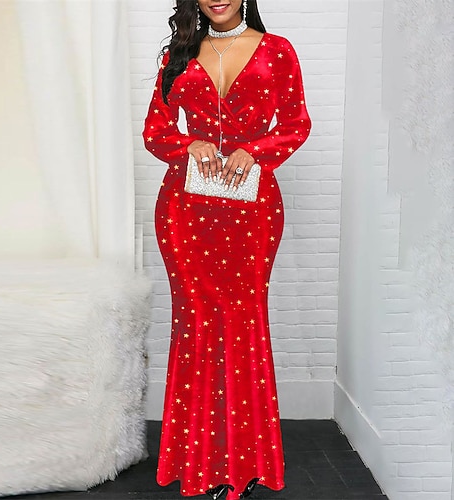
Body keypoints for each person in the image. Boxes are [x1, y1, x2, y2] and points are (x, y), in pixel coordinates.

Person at [143, 1, 311, 498]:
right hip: (185, 208)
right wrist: (186, 145)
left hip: (251, 208)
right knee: (196, 323)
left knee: (242, 323)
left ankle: (244, 463)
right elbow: (155, 131)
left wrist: (253, 150)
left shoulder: (277, 50)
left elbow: (296, 123)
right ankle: (196, 462)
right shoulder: (178, 53)